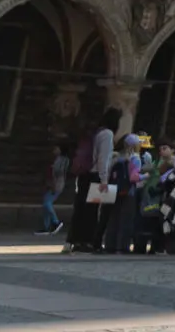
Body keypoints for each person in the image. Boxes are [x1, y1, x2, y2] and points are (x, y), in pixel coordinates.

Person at [66, 108, 121, 254]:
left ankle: (74, 240)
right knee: (93, 211)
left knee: (81, 208)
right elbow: (103, 159)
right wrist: (104, 180)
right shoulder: (107, 134)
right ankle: (88, 241)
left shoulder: (96, 132)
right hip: (96, 176)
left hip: (84, 174)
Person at [38, 142, 70, 236]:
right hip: (52, 183)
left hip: (57, 183)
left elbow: (58, 173)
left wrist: (53, 184)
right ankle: (47, 226)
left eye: (56, 148)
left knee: (47, 203)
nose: (54, 150)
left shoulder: (62, 160)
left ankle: (56, 221)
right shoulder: (56, 159)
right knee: (46, 203)